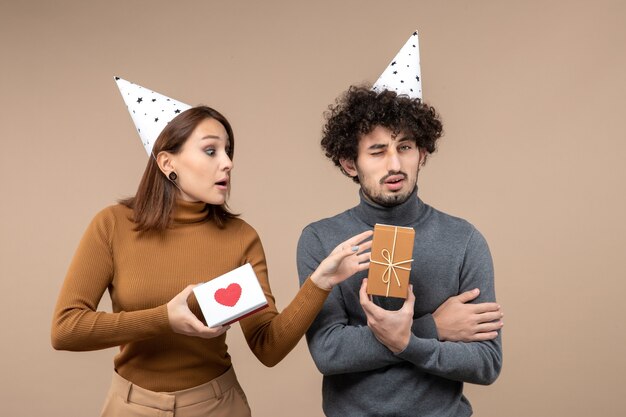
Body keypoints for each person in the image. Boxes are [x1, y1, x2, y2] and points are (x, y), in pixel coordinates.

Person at [51, 105, 372, 417]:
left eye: (228, 151)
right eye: (210, 151)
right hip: (131, 405)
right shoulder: (112, 225)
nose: (228, 163)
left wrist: (320, 283)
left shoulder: (240, 238)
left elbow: (268, 346)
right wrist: (164, 318)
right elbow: (66, 329)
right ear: (167, 162)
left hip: (217, 405)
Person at [297, 86, 503, 416]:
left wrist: (405, 341)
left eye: (404, 147)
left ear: (421, 153)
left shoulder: (464, 239)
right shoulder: (322, 240)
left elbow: (486, 363)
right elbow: (328, 352)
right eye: (377, 152)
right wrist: (431, 329)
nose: (394, 164)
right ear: (351, 163)